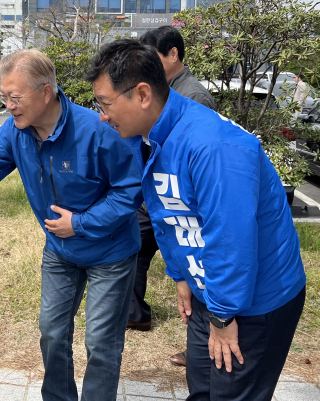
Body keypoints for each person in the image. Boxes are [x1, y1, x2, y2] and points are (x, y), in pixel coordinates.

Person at [87, 39, 306, 401]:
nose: (102, 115)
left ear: (142, 94)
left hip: (255, 301)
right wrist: (181, 275)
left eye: (105, 103)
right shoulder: (148, 136)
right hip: (210, 291)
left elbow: (231, 241)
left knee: (232, 394)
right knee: (202, 390)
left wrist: (221, 317)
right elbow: (167, 216)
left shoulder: (214, 147)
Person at [0, 49, 142, 401]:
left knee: (101, 342)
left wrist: (81, 223)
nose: (9, 105)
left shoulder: (98, 131)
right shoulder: (15, 132)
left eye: (15, 97)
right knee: (52, 334)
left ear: (45, 92)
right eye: (3, 97)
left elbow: (130, 191)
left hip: (110, 252)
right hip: (60, 251)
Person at [134, 26, 217, 368]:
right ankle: (136, 313)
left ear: (173, 54)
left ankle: (201, 341)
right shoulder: (161, 90)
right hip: (157, 196)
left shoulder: (193, 96)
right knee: (136, 249)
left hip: (182, 201)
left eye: (152, 59)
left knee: (197, 270)